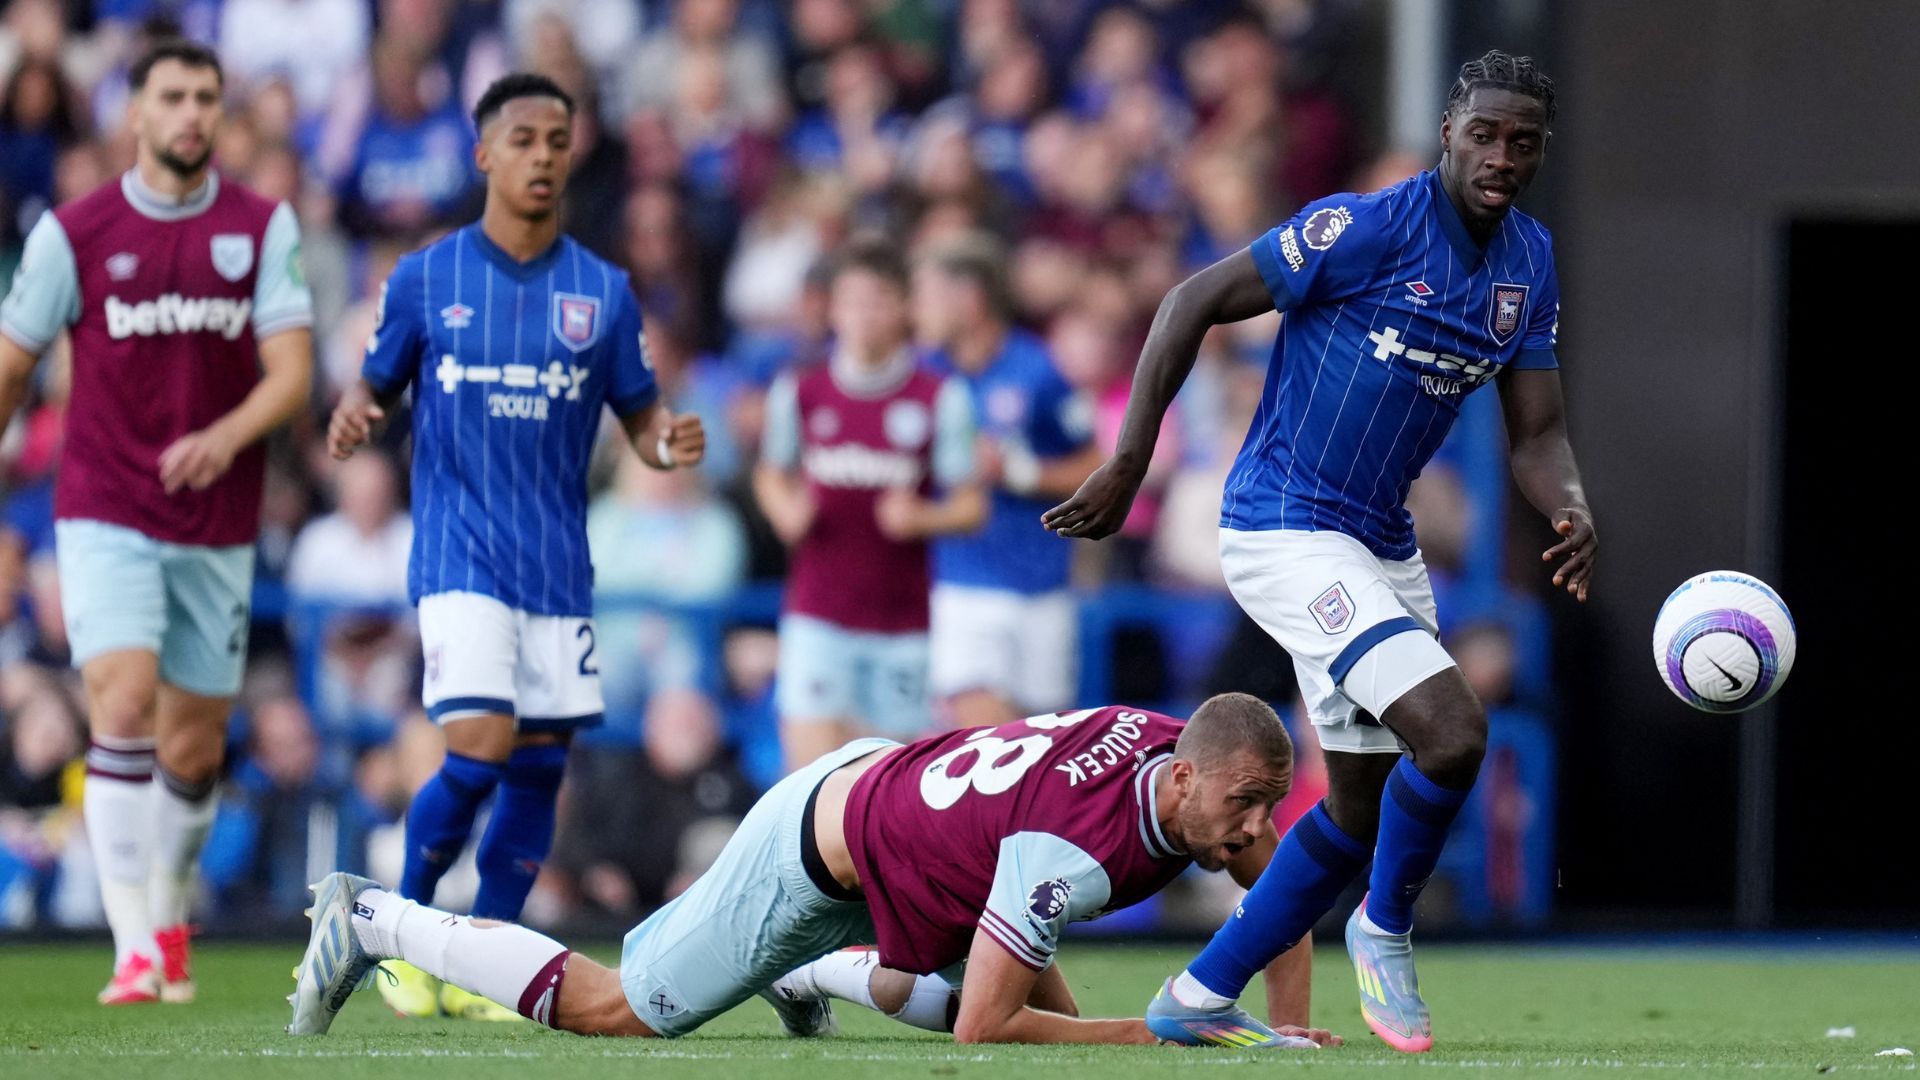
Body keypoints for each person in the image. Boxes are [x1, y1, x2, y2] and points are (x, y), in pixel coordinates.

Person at [1044, 50, 1596, 1054]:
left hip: (1380, 543)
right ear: (1447, 136)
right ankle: (1385, 930)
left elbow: (1538, 433)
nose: (1501, 156)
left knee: (1355, 801)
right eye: (1484, 134)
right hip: (1285, 526)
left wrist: (1570, 504)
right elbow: (1190, 301)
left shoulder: (1530, 262)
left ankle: (1201, 991)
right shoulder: (1368, 226)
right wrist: (1129, 461)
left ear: (1540, 151)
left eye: (1522, 141)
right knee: (1454, 730)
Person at [290, 693, 1339, 1050]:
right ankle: (371, 917)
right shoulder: (1075, 842)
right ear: (1189, 777)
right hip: (810, 851)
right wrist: (1155, 1030)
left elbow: (1283, 902)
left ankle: (816, 971)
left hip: (884, 801)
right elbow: (986, 1027)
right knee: (618, 1012)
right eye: (1245, 804)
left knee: (969, 989)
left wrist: (1282, 1031)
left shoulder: (1177, 751)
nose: (1255, 826)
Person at [325, 72, 706, 1021]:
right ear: (485, 153)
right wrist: (354, 411)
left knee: (537, 765)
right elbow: (373, 383)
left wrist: (669, 442)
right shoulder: (425, 278)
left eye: (557, 140)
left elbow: (643, 418)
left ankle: (481, 965)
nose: (543, 155)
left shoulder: (602, 292)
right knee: (480, 741)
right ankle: (396, 934)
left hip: (556, 566)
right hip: (459, 555)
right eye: (525, 138)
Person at [0, 38, 314, 1005]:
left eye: (206, 98)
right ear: (133, 113)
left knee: (193, 748)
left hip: (216, 521)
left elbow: (294, 375)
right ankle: (132, 941)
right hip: (103, 505)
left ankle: (169, 902)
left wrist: (226, 437)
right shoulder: (74, 231)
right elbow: (14, 363)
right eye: (172, 96)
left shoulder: (262, 226)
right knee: (121, 699)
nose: (191, 113)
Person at [753, 238, 984, 772]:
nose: (862, 314)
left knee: (880, 787)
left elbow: (973, 505)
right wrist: (785, 509)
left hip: (901, 623)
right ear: (832, 309)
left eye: (877, 299)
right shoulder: (801, 391)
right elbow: (769, 471)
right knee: (808, 781)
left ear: (904, 308)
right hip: (817, 613)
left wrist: (923, 517)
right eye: (850, 300)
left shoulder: (938, 397)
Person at [912, 233, 1100, 728]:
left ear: (970, 299)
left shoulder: (1038, 371)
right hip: (962, 583)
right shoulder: (922, 377)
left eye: (928, 296)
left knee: (1043, 746)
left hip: (1042, 584)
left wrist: (1019, 472)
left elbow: (1096, 467)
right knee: (983, 737)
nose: (918, 311)